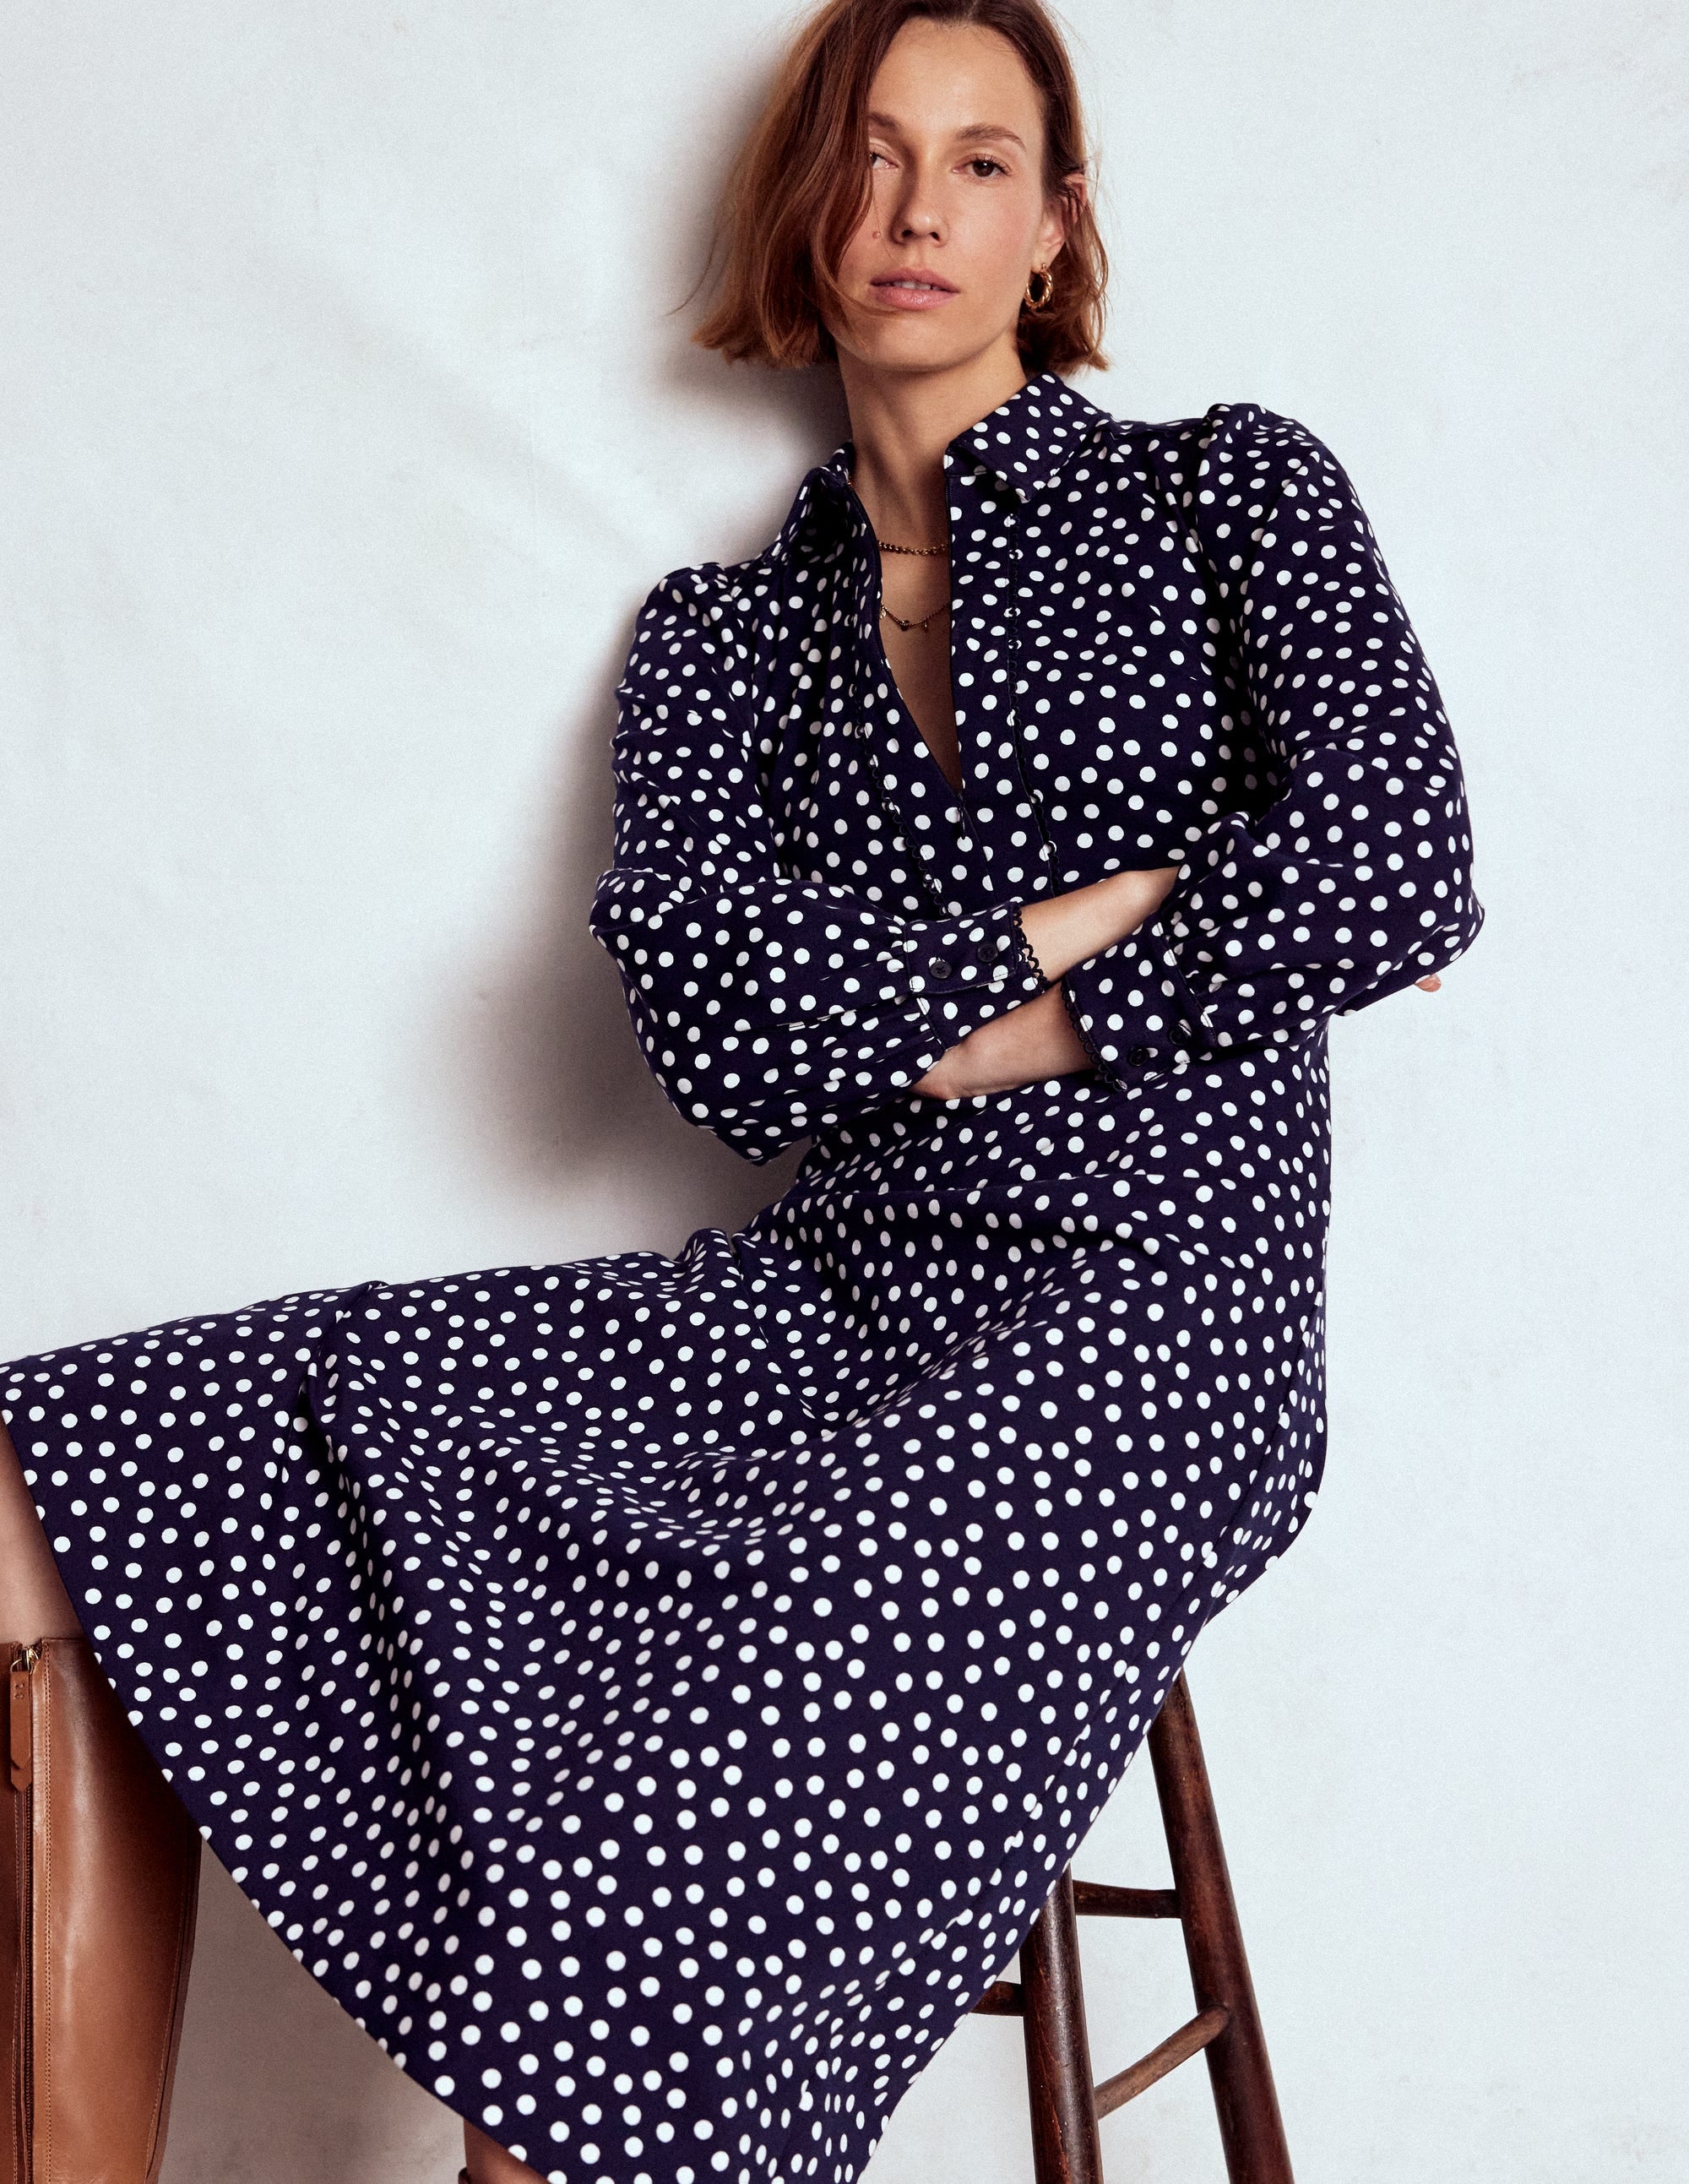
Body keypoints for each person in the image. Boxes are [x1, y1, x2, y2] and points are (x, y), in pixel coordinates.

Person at [0, 2, 1483, 2180]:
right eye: (870, 156)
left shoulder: (1228, 493)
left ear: (1057, 226)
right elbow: (730, 1046)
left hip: (1159, 1314)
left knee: (688, 1770)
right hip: (820, 1298)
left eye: (981, 162)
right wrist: (1119, 911)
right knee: (72, 1459)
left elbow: (1400, 864)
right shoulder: (718, 641)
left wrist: (940, 1022)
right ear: (805, 205)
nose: (917, 210)